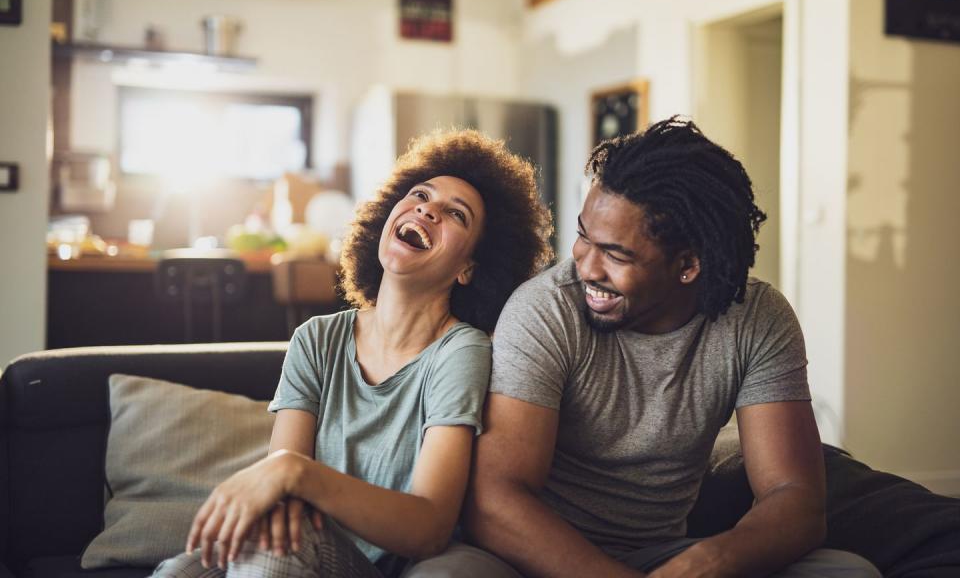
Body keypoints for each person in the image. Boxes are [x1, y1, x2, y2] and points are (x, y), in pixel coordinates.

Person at [413, 117, 881, 577]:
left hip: (659, 555)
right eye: (582, 236)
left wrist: (714, 560)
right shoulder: (545, 309)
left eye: (615, 254)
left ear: (688, 265)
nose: (586, 266)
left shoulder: (756, 319)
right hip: (525, 556)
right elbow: (495, 501)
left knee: (847, 572)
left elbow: (795, 497)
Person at [152, 129, 553, 578]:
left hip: (369, 565)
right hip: (302, 548)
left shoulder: (460, 352)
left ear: (469, 269)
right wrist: (286, 479)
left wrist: (296, 474)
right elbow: (283, 495)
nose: (427, 208)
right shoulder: (316, 340)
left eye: (455, 214)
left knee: (276, 549)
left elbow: (430, 526)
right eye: (420, 194)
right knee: (183, 570)